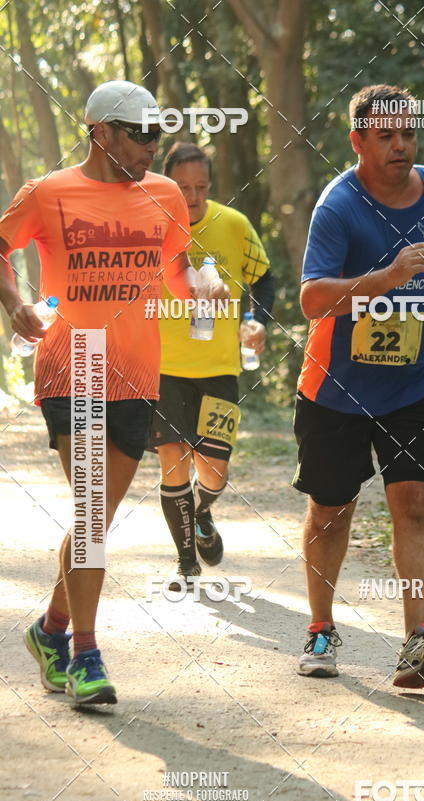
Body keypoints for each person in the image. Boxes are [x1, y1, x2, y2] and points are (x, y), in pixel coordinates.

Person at [0, 81, 226, 706]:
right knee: (93, 507)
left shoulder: (166, 195)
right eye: (139, 132)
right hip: (70, 364)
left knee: (94, 517)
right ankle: (86, 656)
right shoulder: (48, 194)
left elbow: (176, 271)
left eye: (157, 132)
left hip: (136, 371)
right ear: (99, 130)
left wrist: (200, 292)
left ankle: (50, 630)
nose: (152, 145)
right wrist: (16, 303)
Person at [293, 84, 424, 687]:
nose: (401, 145)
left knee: (415, 505)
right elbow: (312, 298)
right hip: (335, 390)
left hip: (415, 386)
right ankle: (319, 627)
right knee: (331, 512)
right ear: (357, 141)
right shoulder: (338, 206)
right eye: (386, 135)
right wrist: (387, 276)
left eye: (408, 133)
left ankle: (418, 642)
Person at [149, 142, 274, 585]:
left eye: (201, 187)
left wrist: (256, 322)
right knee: (173, 461)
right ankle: (186, 562)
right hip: (165, 368)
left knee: (214, 468)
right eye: (183, 187)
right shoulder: (154, 224)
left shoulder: (234, 224)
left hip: (220, 368)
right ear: (167, 186)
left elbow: (265, 281)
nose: (194, 196)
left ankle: (202, 513)